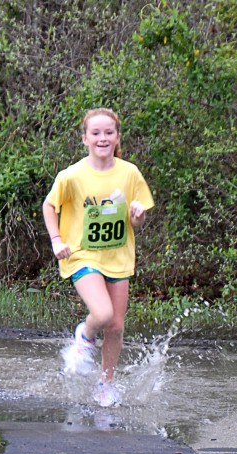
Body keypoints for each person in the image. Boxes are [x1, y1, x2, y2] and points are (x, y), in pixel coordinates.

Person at [43, 107, 154, 406]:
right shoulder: (73, 175)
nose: (102, 138)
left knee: (116, 327)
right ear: (85, 139)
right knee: (102, 315)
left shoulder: (129, 173)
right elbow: (49, 206)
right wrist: (56, 240)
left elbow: (137, 219)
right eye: (96, 133)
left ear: (117, 137)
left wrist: (137, 215)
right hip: (81, 255)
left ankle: (105, 384)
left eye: (108, 132)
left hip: (118, 258)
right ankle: (85, 335)